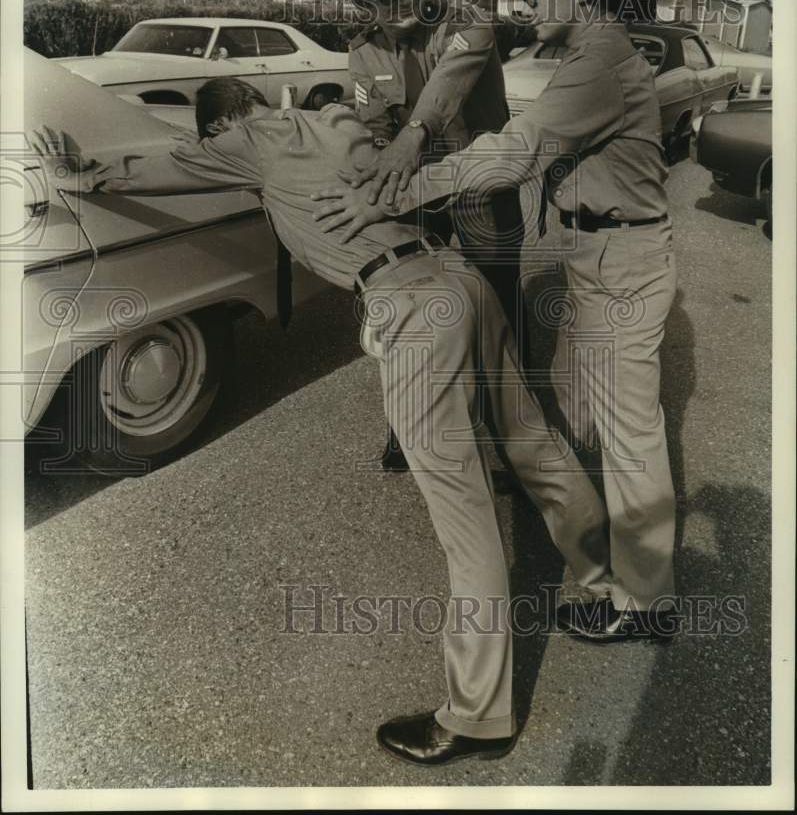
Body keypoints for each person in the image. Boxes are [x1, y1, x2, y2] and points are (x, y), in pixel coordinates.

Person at [29, 77, 612, 766]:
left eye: (215, 136)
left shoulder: (244, 140)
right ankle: (607, 583)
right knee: (531, 441)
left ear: (224, 125)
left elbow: (158, 169)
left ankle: (479, 714)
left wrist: (80, 170)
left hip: (412, 308)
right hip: (460, 280)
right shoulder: (336, 120)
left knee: (464, 516)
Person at [311, 0, 679, 643]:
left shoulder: (578, 54)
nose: (524, 5)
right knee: (617, 425)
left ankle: (644, 604)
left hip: (602, 250)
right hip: (599, 253)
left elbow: (511, 152)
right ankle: (629, 581)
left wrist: (394, 188)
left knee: (626, 433)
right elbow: (374, 119)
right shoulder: (587, 51)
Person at [336, 0, 533, 471]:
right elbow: (371, 125)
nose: (398, 2)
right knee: (416, 310)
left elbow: (444, 91)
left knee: (499, 313)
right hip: (416, 194)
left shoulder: (466, 22)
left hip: (478, 189)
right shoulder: (364, 52)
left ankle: (517, 443)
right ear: (364, 4)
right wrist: (369, 160)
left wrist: (412, 135)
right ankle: (413, 419)